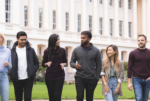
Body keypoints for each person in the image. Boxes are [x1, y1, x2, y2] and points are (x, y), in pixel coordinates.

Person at [70, 31, 102, 101]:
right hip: (79, 77)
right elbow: (71, 62)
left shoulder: (96, 51)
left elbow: (99, 65)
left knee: (89, 98)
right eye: (81, 38)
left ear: (89, 39)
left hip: (91, 78)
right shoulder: (76, 50)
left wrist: (96, 78)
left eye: (84, 38)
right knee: (79, 96)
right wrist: (75, 65)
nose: (81, 39)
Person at [9, 31, 39, 101]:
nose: (23, 41)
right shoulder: (12, 51)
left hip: (28, 79)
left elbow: (36, 62)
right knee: (18, 98)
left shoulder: (31, 50)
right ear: (17, 39)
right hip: (16, 79)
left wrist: (32, 72)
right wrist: (11, 73)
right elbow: (8, 64)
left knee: (28, 98)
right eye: (21, 39)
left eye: (25, 39)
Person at [42, 34, 67, 101]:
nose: (59, 41)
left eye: (59, 39)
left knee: (57, 96)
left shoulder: (62, 50)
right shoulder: (46, 51)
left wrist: (64, 64)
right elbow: (43, 64)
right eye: (57, 39)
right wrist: (46, 64)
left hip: (60, 76)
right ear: (53, 41)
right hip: (49, 76)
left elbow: (66, 62)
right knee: (51, 96)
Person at [128, 34, 150, 101]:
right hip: (137, 79)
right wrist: (129, 82)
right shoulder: (132, 53)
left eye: (142, 40)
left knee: (145, 99)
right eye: (139, 40)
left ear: (146, 41)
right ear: (137, 42)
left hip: (147, 79)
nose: (140, 42)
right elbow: (129, 68)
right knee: (139, 98)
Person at [0, 33, 12, 101]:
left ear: (2, 39)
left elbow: (10, 67)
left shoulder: (8, 51)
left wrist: (8, 64)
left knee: (4, 99)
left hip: (4, 77)